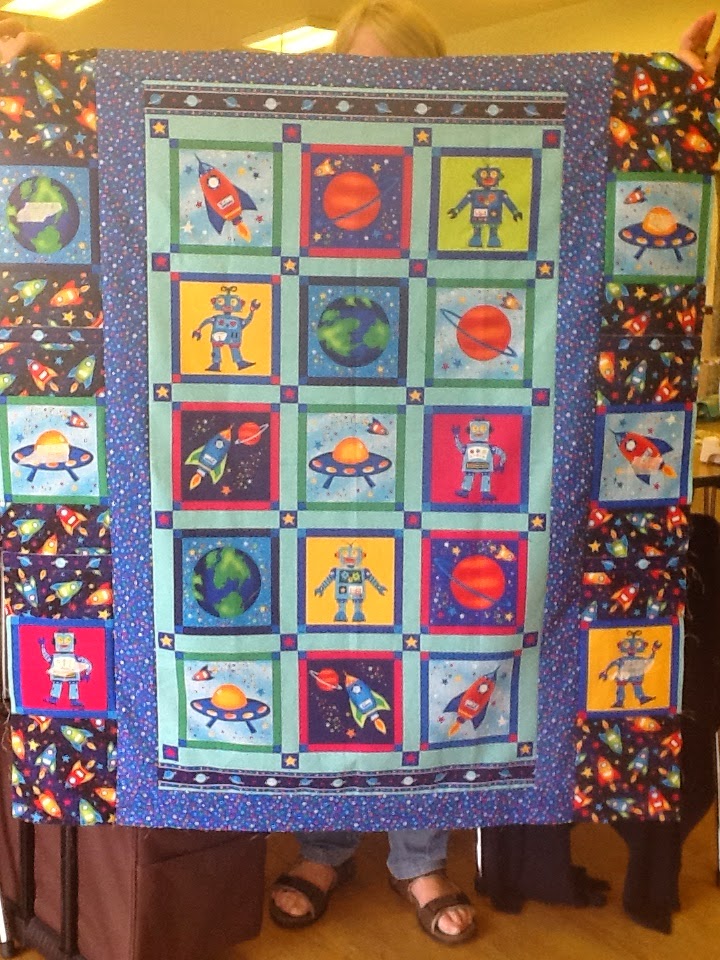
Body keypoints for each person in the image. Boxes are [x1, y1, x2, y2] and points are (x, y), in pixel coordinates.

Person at [0, 0, 716, 947]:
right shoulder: (296, 192)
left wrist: (672, 86)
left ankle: (418, 860)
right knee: (317, 651)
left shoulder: (445, 180)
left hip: (433, 471)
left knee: (442, 644)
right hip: (294, 474)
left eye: (394, 87)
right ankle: (324, 849)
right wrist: (36, 78)